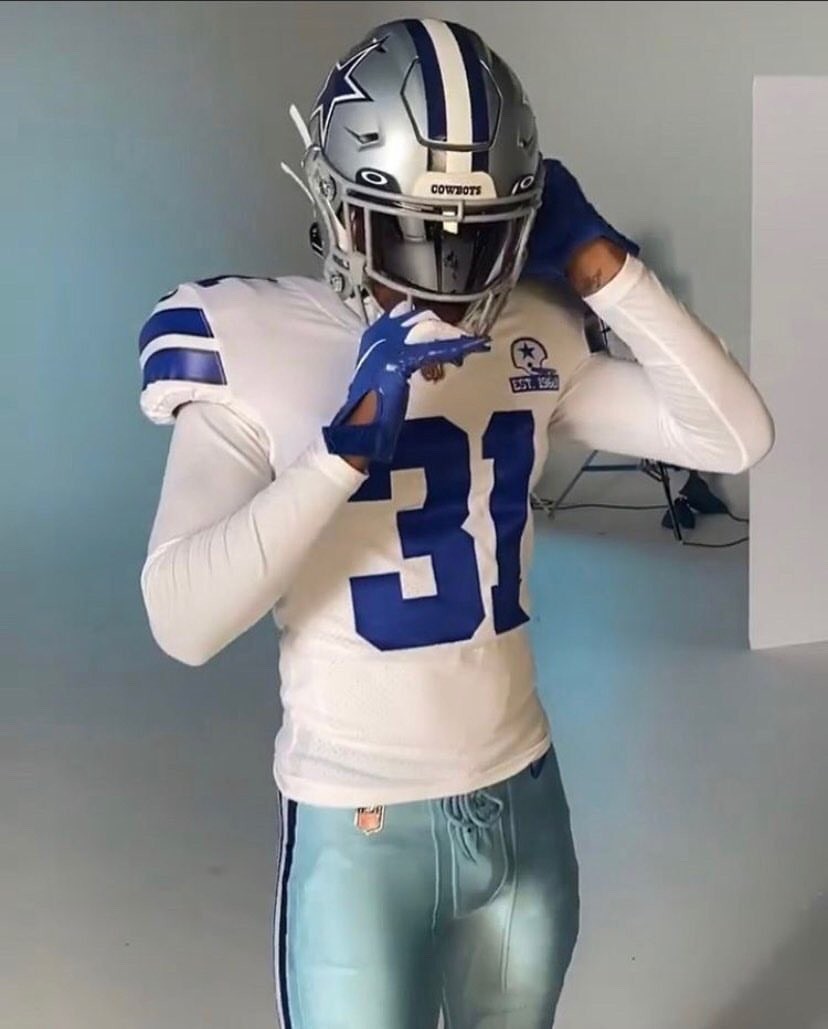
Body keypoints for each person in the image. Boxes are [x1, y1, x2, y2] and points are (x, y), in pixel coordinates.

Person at [138, 17, 774, 1029]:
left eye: (479, 235)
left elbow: (734, 437)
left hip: (525, 795)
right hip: (360, 824)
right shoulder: (256, 341)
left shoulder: (532, 328)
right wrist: (341, 448)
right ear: (340, 209)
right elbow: (182, 619)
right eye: (411, 233)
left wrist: (608, 268)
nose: (446, 271)